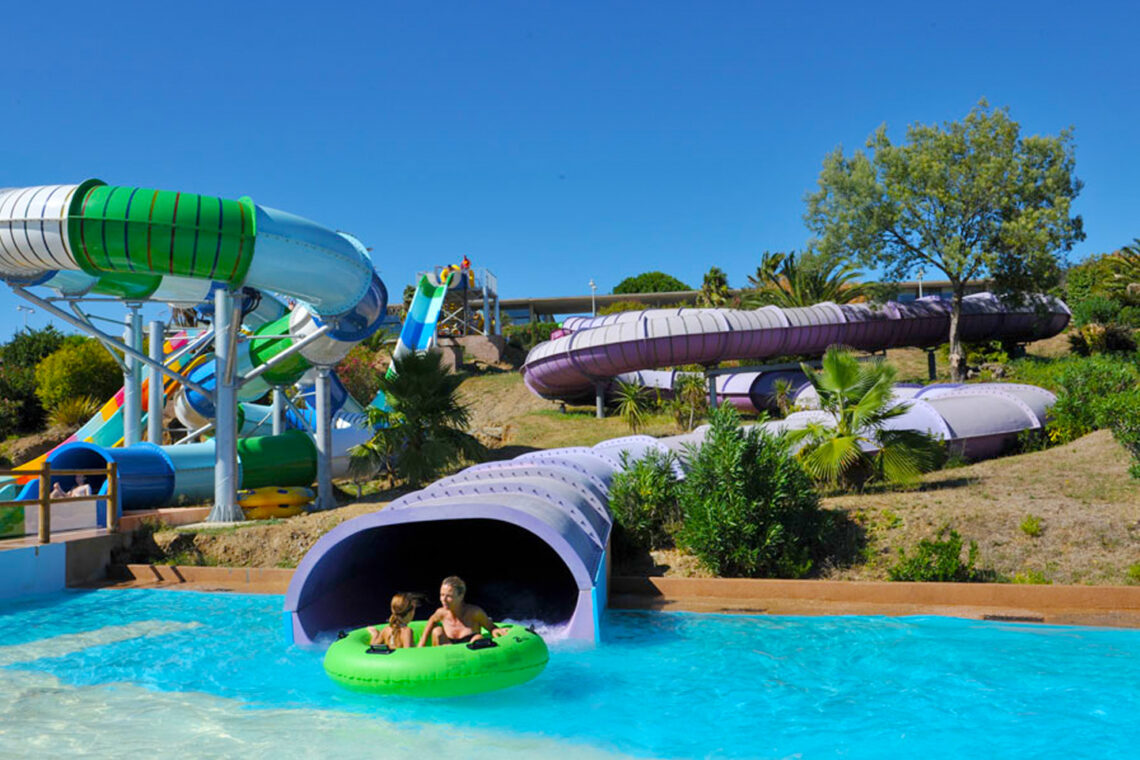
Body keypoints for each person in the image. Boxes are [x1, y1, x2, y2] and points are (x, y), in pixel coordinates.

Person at [418, 576, 506, 647]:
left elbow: (491, 627)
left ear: (461, 596)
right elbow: (432, 621)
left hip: (470, 653)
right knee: (437, 631)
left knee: (478, 637)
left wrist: (497, 632)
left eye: (449, 596)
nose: (443, 599)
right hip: (447, 654)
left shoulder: (474, 613)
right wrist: (422, 643)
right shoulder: (441, 613)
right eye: (442, 595)